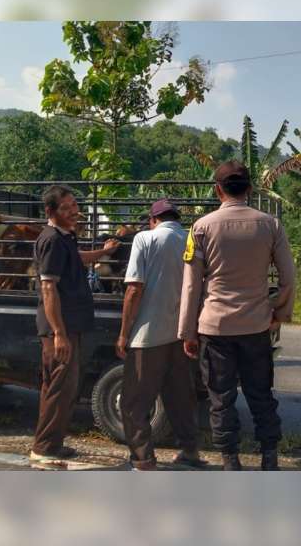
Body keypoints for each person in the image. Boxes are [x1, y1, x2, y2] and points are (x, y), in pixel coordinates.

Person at [178, 161, 296, 471]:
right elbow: (289, 278)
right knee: (261, 394)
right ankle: (269, 458)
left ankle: (231, 462)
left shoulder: (201, 227)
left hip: (215, 329)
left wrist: (188, 332)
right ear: (250, 189)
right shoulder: (270, 225)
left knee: (221, 398)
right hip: (256, 327)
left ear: (217, 190)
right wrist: (277, 312)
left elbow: (191, 286)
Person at [31, 185, 119, 463]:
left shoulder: (64, 238)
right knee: (58, 387)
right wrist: (58, 333)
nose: (73, 212)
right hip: (61, 327)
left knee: (66, 388)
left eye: (74, 206)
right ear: (50, 211)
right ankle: (43, 448)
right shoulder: (52, 240)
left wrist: (103, 251)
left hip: (69, 325)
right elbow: (48, 288)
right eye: (66, 208)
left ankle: (53, 444)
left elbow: (78, 259)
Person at [116, 199, 205, 470]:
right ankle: (190, 451)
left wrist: (123, 333)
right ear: (176, 218)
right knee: (180, 398)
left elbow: (133, 289)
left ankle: (143, 459)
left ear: (153, 220)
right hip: (182, 334)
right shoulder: (192, 239)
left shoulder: (145, 239)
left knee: (133, 403)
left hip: (148, 335)